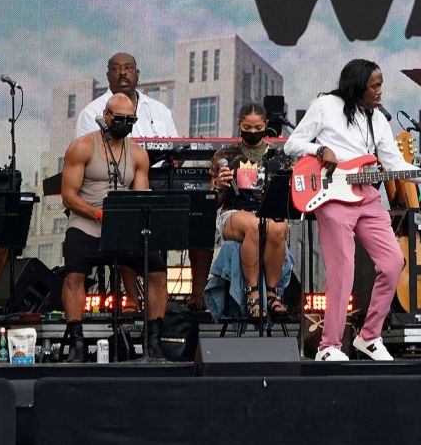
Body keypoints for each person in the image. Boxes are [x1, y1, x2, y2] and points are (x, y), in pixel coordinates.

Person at [284, 59, 417, 361]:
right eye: (374, 86)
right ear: (357, 85)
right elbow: (293, 144)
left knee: (394, 262)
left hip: (366, 194)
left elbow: (394, 164)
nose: (380, 91)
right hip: (332, 194)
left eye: (381, 85)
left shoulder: (379, 120)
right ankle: (328, 346)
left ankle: (369, 337)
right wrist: (320, 150)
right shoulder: (325, 105)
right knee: (342, 270)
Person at [73, 52, 195, 307]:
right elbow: (87, 162)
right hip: (109, 192)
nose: (123, 73)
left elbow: (174, 149)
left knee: (197, 214)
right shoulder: (91, 113)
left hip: (158, 185)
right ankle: (129, 296)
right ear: (108, 75)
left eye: (128, 68)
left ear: (137, 74)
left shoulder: (159, 110)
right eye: (116, 68)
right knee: (129, 212)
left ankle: (197, 297)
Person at [59, 93, 170, 362]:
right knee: (74, 275)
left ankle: (154, 342)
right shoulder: (82, 147)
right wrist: (97, 214)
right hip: (87, 224)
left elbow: (141, 196)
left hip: (124, 228)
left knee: (157, 272)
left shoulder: (139, 154)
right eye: (119, 118)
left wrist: (131, 221)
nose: (124, 123)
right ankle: (76, 341)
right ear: (106, 117)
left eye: (130, 120)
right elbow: (68, 196)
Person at [207, 103, 292, 320]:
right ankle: (252, 294)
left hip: (268, 214)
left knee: (278, 227)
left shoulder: (278, 156)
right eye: (247, 127)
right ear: (239, 126)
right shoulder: (224, 155)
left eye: (257, 127)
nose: (252, 132)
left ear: (265, 126)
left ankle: (273, 294)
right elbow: (212, 201)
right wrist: (218, 185)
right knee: (254, 226)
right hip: (233, 214)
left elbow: (287, 198)